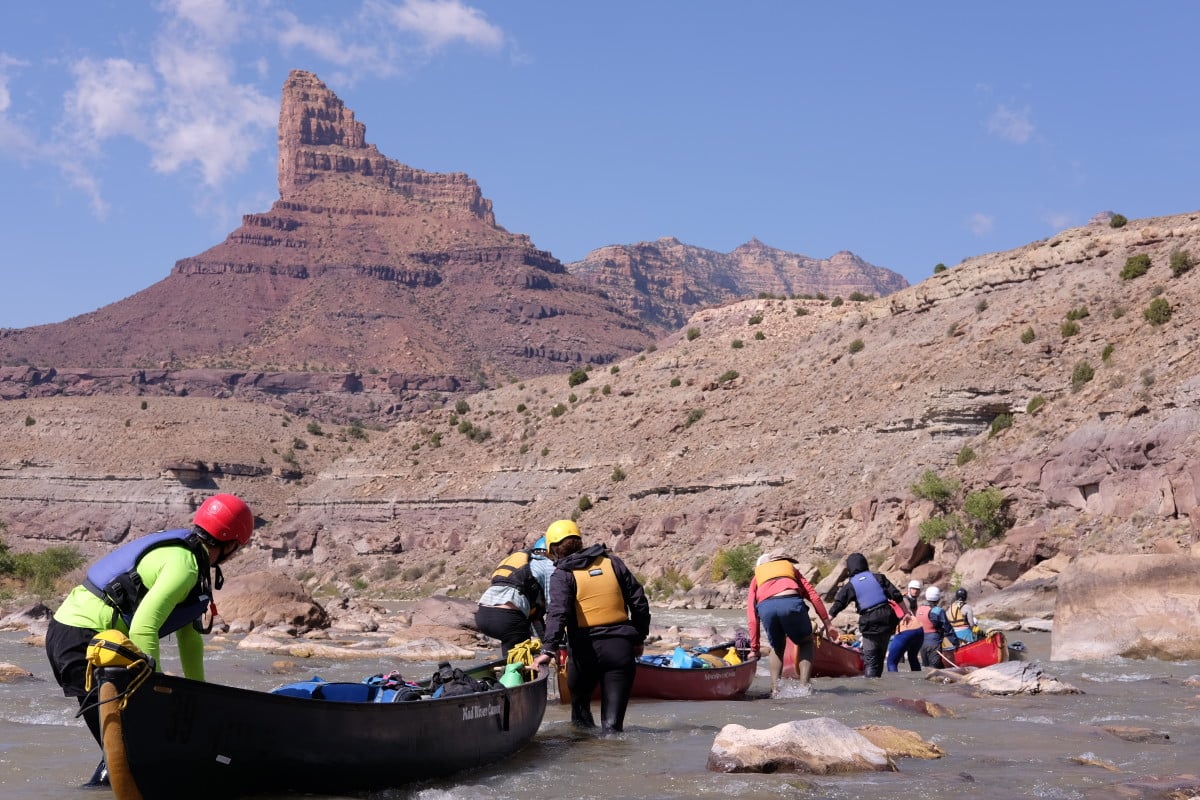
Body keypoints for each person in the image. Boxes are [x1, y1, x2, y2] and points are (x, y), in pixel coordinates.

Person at [45, 493, 254, 788]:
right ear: (232, 543)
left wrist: (201, 697)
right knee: (126, 755)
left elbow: (190, 635)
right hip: (85, 642)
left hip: (73, 635)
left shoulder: (189, 558)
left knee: (125, 752)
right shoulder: (186, 566)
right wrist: (151, 693)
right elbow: (144, 627)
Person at [532, 520, 650, 733]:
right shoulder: (613, 563)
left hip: (585, 651)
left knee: (580, 720)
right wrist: (638, 637)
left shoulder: (562, 574)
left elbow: (558, 613)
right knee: (613, 729)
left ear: (553, 550)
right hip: (620, 649)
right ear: (579, 541)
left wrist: (548, 650)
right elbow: (639, 601)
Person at [745, 552, 835, 697]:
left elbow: (752, 616)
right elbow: (813, 595)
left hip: (766, 607)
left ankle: (775, 690)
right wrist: (827, 623)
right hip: (791, 602)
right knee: (805, 641)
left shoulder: (757, 578)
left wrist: (754, 649)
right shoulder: (791, 569)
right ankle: (804, 687)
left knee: (777, 646)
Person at [475, 535, 555, 658]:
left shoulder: (524, 563)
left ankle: (506, 670)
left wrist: (546, 644)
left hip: (482, 615)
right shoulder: (548, 565)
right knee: (521, 661)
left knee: (510, 657)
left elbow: (535, 618)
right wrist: (553, 645)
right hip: (507, 618)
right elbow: (553, 608)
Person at [826, 552, 904, 678]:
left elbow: (838, 605)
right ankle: (878, 688)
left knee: (871, 661)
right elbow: (897, 595)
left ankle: (871, 692)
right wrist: (905, 614)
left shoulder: (850, 585)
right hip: (887, 619)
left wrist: (827, 623)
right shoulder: (879, 578)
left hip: (869, 622)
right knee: (879, 659)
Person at [917, 585, 961, 667]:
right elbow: (948, 629)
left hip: (921, 644)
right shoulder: (938, 611)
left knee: (926, 667)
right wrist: (955, 643)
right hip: (933, 643)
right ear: (938, 598)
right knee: (935, 668)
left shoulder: (920, 609)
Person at [886, 579, 924, 672]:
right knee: (913, 658)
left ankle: (894, 684)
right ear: (909, 589)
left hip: (906, 631)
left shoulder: (910, 600)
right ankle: (918, 680)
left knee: (891, 662)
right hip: (919, 631)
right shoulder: (905, 600)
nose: (915, 591)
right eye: (913, 589)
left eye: (917, 589)